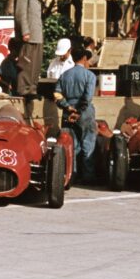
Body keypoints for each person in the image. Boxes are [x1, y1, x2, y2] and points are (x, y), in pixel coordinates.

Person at [54, 47, 97, 183]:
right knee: (88, 143)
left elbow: (57, 94)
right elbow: (87, 97)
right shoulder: (90, 76)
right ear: (84, 58)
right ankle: (87, 177)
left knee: (71, 144)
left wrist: (68, 107)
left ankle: (71, 175)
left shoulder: (64, 75)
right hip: (85, 113)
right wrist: (78, 111)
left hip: (68, 113)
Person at [14, 0, 45, 119]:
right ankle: (24, 90)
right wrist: (25, 31)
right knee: (26, 64)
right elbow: (20, 12)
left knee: (35, 65)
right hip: (29, 35)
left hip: (36, 34)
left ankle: (31, 89)